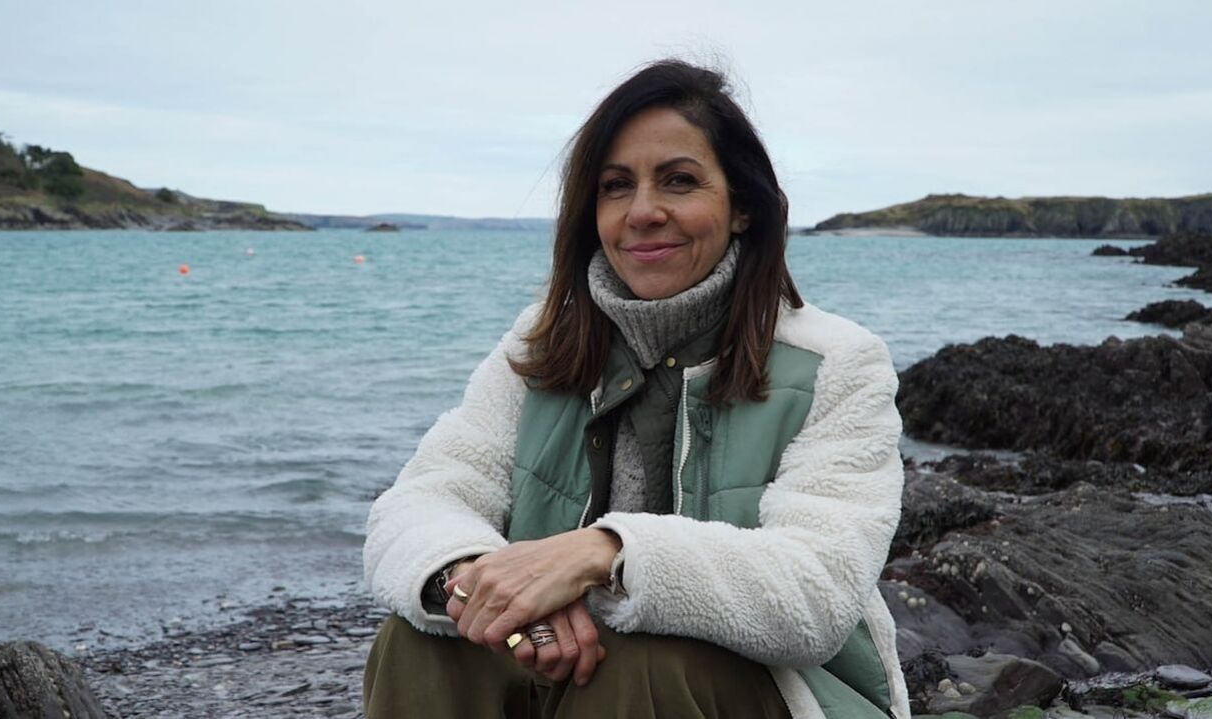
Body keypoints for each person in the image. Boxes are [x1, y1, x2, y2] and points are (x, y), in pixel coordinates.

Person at [362, 59, 909, 719]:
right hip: (565, 672)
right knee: (418, 644)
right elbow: (420, 501)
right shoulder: (541, 345)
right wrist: (481, 581)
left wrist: (604, 555)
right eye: (615, 186)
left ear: (741, 207)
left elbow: (816, 593)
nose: (643, 212)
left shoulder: (836, 363)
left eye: (679, 180)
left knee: (642, 666)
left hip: (783, 697)